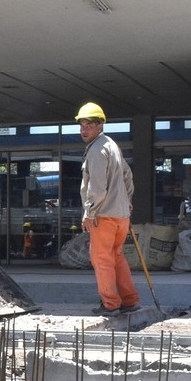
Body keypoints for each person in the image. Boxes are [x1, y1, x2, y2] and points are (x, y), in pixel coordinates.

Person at [76, 102, 138, 317]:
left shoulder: (96, 150)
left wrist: (89, 212)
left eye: (89, 125)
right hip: (121, 215)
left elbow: (97, 187)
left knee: (101, 260)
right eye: (82, 125)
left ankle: (110, 303)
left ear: (100, 126)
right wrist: (127, 200)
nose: (84, 130)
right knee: (116, 257)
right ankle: (130, 300)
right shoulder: (111, 145)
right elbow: (127, 176)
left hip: (103, 215)